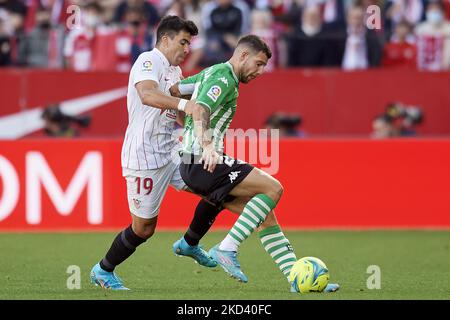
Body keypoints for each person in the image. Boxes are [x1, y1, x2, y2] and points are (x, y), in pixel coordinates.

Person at [170, 35, 339, 293]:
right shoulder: (223, 77)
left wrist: (188, 127)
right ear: (242, 56)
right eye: (258, 64)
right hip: (202, 160)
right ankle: (227, 248)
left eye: (264, 67)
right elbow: (202, 108)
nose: (260, 71)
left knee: (264, 215)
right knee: (273, 188)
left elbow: (175, 92)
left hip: (192, 162)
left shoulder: (208, 74)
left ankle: (295, 278)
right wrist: (204, 144)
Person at [89, 15, 217, 291]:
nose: (186, 50)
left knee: (215, 185)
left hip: (172, 151)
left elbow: (179, 113)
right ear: (166, 39)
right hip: (144, 155)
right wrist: (186, 106)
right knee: (144, 229)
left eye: (189, 44)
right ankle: (103, 270)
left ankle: (190, 243)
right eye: (182, 42)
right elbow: (147, 95)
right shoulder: (148, 60)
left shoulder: (175, 72)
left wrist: (203, 133)